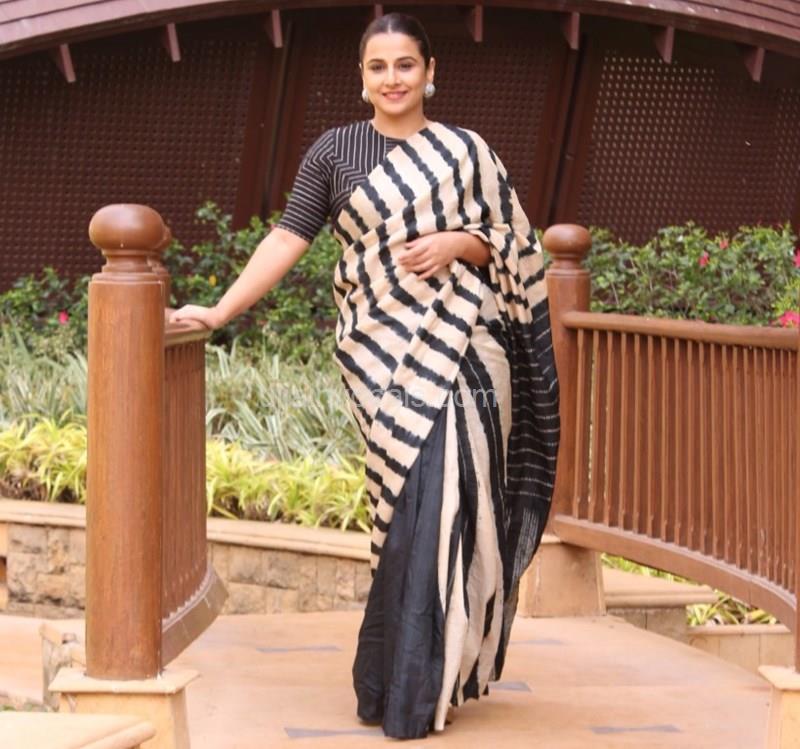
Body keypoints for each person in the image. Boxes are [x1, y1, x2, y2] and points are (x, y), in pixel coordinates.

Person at [171, 12, 559, 740]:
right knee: (405, 506)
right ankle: (396, 677)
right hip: (377, 353)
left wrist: (460, 241)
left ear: (430, 71)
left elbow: (518, 245)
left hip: (467, 348)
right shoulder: (335, 152)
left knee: (446, 504)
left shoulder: (466, 152)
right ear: (362, 77)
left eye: (405, 64)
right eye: (378, 67)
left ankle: (421, 686)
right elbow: (288, 236)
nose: (392, 79)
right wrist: (219, 310)